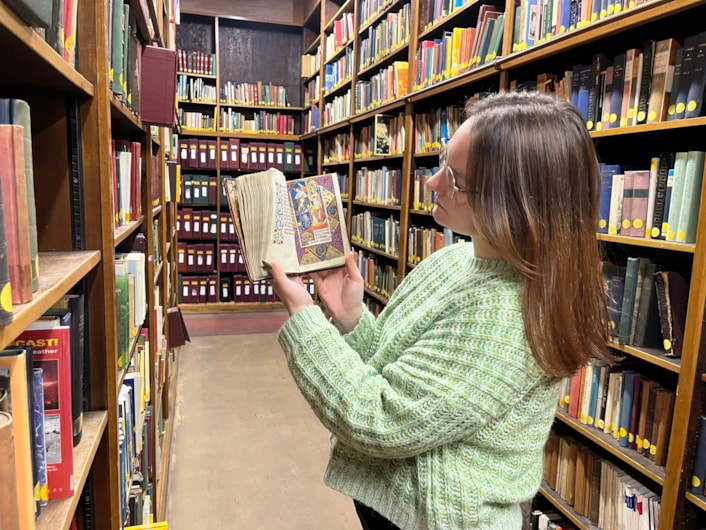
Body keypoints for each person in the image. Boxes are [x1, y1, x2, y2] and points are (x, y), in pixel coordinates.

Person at [264, 91, 613, 529]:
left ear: (514, 203)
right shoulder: (452, 260)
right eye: (443, 163)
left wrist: (305, 320)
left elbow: (379, 418)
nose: (432, 183)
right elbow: (402, 376)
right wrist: (351, 320)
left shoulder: (509, 316)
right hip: (396, 507)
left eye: (456, 179)